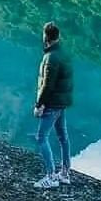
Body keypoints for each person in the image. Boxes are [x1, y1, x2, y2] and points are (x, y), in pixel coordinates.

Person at [32, 21, 74, 189]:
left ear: (45, 37)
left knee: (42, 137)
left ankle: (51, 177)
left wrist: (39, 104)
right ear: (58, 36)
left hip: (52, 104)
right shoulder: (64, 54)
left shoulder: (50, 58)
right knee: (63, 137)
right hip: (62, 103)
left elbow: (47, 85)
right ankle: (64, 173)